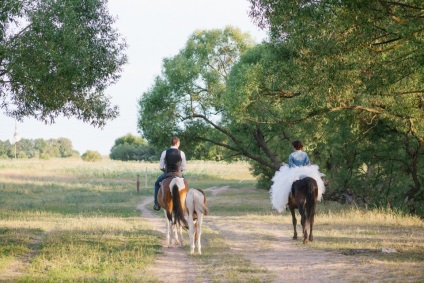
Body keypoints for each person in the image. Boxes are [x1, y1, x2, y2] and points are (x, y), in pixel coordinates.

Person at [270, 140, 325, 213]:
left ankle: (288, 200)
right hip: (305, 170)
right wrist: (303, 168)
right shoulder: (305, 154)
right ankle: (314, 197)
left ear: (294, 147)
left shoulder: (291, 155)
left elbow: (291, 165)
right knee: (315, 181)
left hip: (294, 171)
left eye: (293, 146)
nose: (292, 147)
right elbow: (308, 163)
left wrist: (297, 168)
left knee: (284, 184)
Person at [153, 136, 186, 211]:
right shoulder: (181, 153)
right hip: (178, 174)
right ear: (177, 143)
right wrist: (179, 173)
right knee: (185, 184)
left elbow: (161, 167)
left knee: (156, 184)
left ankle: (156, 204)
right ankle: (186, 202)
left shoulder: (165, 152)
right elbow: (183, 167)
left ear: (171, 143)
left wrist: (166, 171)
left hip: (168, 174)